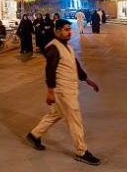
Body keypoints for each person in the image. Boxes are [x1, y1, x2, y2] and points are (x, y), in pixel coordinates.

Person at [26, 19, 101, 166]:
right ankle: (81, 151)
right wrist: (50, 91)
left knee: (55, 114)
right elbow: (50, 70)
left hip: (69, 89)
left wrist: (87, 79)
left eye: (69, 29)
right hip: (63, 91)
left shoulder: (67, 46)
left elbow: (75, 65)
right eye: (66, 29)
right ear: (57, 31)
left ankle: (34, 135)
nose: (69, 32)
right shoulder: (54, 48)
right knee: (75, 119)